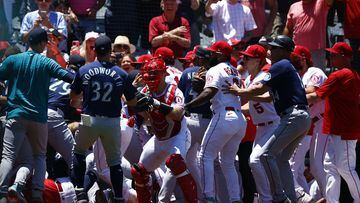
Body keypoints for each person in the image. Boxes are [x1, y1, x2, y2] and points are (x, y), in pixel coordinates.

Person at [223, 35, 311, 202]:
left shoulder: (281, 65)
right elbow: (268, 96)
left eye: (275, 48)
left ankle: (279, 197)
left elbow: (259, 89)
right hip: (300, 116)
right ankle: (291, 198)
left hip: (293, 116)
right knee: (281, 159)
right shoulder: (285, 67)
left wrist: (239, 91)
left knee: (265, 155)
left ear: (285, 51)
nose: (271, 50)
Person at [0, 28, 74, 203]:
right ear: (42, 43)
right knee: (39, 156)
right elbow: (68, 77)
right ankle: (37, 194)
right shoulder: (46, 62)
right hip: (39, 118)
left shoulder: (13, 60)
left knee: (8, 157)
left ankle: (2, 193)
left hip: (16, 115)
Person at [69, 35, 138, 203]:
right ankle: (119, 197)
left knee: (78, 153)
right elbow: (132, 102)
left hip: (88, 119)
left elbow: (73, 97)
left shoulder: (84, 70)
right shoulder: (121, 73)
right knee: (114, 163)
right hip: (112, 121)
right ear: (110, 51)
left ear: (94, 50)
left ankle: (79, 193)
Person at [185, 41, 247, 202]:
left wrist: (189, 105)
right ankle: (235, 198)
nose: (210, 55)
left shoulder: (215, 69)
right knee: (227, 162)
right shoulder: (234, 70)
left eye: (213, 52)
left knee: (204, 156)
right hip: (239, 119)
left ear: (220, 54)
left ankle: (209, 197)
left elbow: (210, 92)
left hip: (224, 115)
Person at [130, 58, 198, 203]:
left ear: (163, 74)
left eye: (154, 74)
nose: (151, 78)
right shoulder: (145, 91)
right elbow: (141, 113)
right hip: (158, 139)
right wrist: (135, 101)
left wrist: (154, 103)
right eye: (148, 75)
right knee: (138, 172)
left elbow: (178, 114)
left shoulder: (173, 90)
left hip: (178, 136)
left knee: (176, 163)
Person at [307, 42, 360, 203]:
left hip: (344, 129)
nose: (331, 57)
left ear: (344, 57)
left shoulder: (340, 75)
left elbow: (316, 96)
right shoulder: (353, 74)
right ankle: (332, 201)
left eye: (334, 55)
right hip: (337, 127)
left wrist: (293, 99)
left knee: (345, 168)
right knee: (330, 166)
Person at [240, 44, 280, 203]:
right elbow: (249, 107)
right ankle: (268, 198)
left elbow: (265, 97)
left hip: (273, 123)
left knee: (256, 160)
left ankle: (268, 198)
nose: (244, 60)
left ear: (257, 60)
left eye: (247, 58)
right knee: (258, 162)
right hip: (261, 127)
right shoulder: (250, 78)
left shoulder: (265, 75)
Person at [289, 45, 328, 202]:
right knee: (307, 167)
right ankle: (314, 198)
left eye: (295, 58)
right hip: (311, 123)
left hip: (322, 121)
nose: (292, 61)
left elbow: (313, 90)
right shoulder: (300, 76)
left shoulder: (314, 72)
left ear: (303, 59)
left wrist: (289, 91)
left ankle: (330, 198)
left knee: (319, 166)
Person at [284, 0, 334, 70]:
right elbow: (288, 28)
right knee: (298, 77)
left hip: (316, 52)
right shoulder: (293, 6)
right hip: (297, 52)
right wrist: (284, 46)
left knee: (316, 78)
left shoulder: (321, 3)